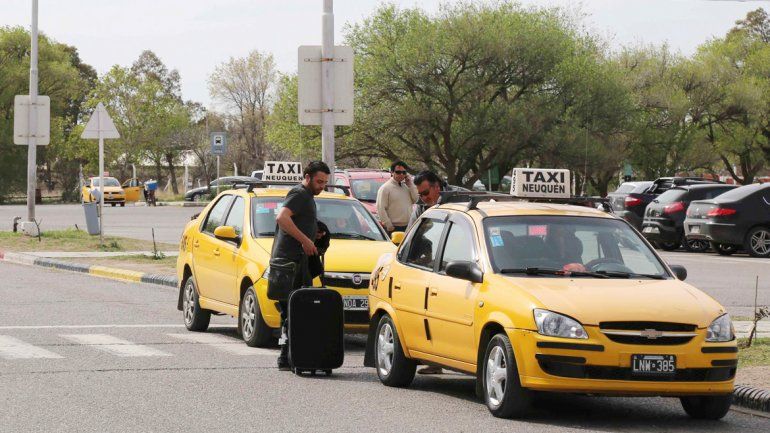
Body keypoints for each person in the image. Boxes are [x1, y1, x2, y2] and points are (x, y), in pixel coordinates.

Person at [272, 161, 330, 370]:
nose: (322, 186)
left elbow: (294, 222)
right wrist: (305, 240)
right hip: (290, 264)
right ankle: (286, 357)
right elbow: (282, 218)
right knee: (292, 310)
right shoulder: (299, 194)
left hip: (297, 262)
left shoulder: (308, 197)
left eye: (325, 182)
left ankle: (290, 357)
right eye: (319, 181)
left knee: (294, 310)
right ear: (307, 177)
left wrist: (313, 233)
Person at [407, 170, 444, 375]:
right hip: (429, 267)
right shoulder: (420, 208)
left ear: (437, 186)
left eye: (426, 192)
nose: (424, 197)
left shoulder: (456, 203)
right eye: (420, 194)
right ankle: (434, 361)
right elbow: (411, 238)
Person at [376, 161, 418, 234]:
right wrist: (388, 225)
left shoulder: (406, 187)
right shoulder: (385, 188)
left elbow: (416, 199)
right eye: (398, 172)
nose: (401, 174)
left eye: (404, 172)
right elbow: (380, 208)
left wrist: (411, 185)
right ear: (392, 172)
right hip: (393, 227)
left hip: (408, 226)